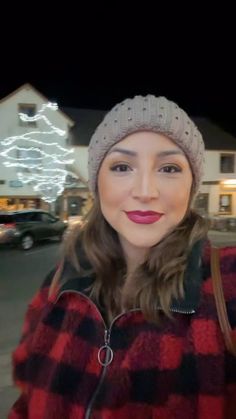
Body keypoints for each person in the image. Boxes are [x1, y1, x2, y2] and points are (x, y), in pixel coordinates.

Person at [9, 95, 236, 419]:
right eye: (121, 167)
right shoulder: (58, 286)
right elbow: (27, 403)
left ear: (192, 185)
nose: (145, 190)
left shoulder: (227, 286)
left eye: (169, 168)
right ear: (97, 183)